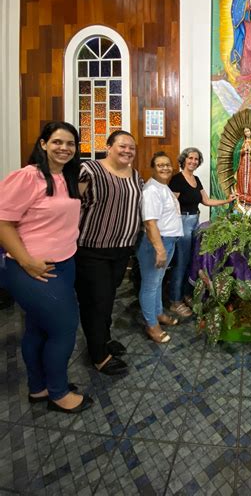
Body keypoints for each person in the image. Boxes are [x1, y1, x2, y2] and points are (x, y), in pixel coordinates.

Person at [0, 122, 93, 413]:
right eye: (57, 142)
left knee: (38, 329)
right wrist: (27, 262)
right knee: (64, 329)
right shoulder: (28, 177)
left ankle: (39, 388)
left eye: (70, 144)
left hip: (64, 263)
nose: (64, 148)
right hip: (32, 268)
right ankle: (58, 393)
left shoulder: (66, 177)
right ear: (43, 144)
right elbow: (2, 222)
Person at [75, 130, 143, 376]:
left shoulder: (136, 175)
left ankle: (103, 339)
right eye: (122, 146)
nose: (127, 151)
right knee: (95, 301)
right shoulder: (89, 170)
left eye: (131, 148)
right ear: (108, 146)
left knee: (108, 298)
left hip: (122, 249)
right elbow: (71, 205)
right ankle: (98, 356)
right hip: (92, 249)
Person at [169, 147, 234, 316]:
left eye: (196, 159)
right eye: (190, 158)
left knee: (191, 260)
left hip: (195, 221)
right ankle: (175, 301)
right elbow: (171, 205)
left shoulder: (196, 179)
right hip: (182, 222)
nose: (193, 161)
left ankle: (185, 294)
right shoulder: (177, 179)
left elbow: (205, 200)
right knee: (181, 263)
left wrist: (226, 200)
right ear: (183, 160)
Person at [137, 152, 183, 342]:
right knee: (150, 285)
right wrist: (160, 249)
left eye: (167, 164)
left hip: (167, 240)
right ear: (153, 168)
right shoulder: (151, 191)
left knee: (158, 281)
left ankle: (158, 314)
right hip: (156, 243)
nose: (165, 168)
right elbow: (150, 223)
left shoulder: (163, 187)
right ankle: (151, 325)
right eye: (160, 165)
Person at [233, 126, 251, 206]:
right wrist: (242, 150)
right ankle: (241, 197)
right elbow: (235, 153)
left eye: (248, 131)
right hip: (242, 164)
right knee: (241, 179)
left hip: (250, 164)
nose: (247, 133)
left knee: (250, 180)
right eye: (245, 132)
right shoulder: (241, 142)